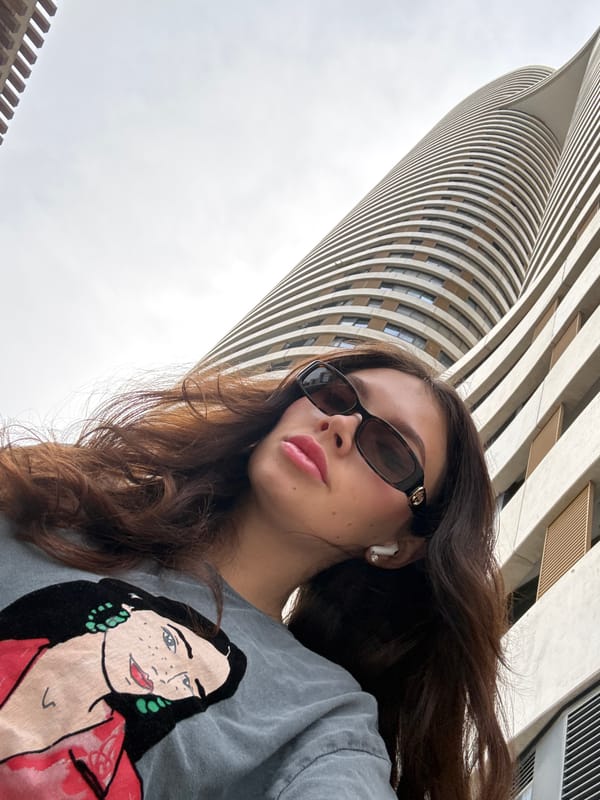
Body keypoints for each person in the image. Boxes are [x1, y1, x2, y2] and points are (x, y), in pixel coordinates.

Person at [0, 344, 513, 799]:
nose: (341, 424)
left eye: (389, 451)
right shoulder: (53, 504)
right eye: (336, 395)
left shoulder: (323, 723)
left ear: (399, 545)